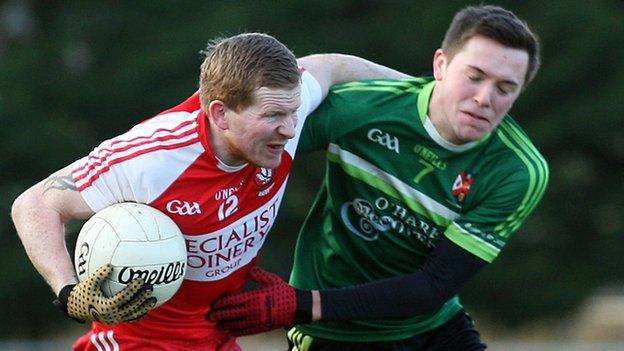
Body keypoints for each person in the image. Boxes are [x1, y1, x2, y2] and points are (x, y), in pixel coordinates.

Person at [10, 33, 410, 351]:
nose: (290, 129)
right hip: (138, 342)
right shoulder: (152, 157)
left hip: (215, 335)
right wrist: (67, 292)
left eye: (292, 112)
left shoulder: (285, 105)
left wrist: (425, 93)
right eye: (273, 116)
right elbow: (33, 205)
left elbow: (336, 67)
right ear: (220, 113)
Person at [209, 5, 549, 350]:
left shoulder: (517, 170)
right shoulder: (362, 107)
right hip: (333, 334)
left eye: (505, 88)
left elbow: (432, 287)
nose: (483, 98)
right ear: (441, 65)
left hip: (434, 327)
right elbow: (249, 147)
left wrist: (300, 304)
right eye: (474, 77)